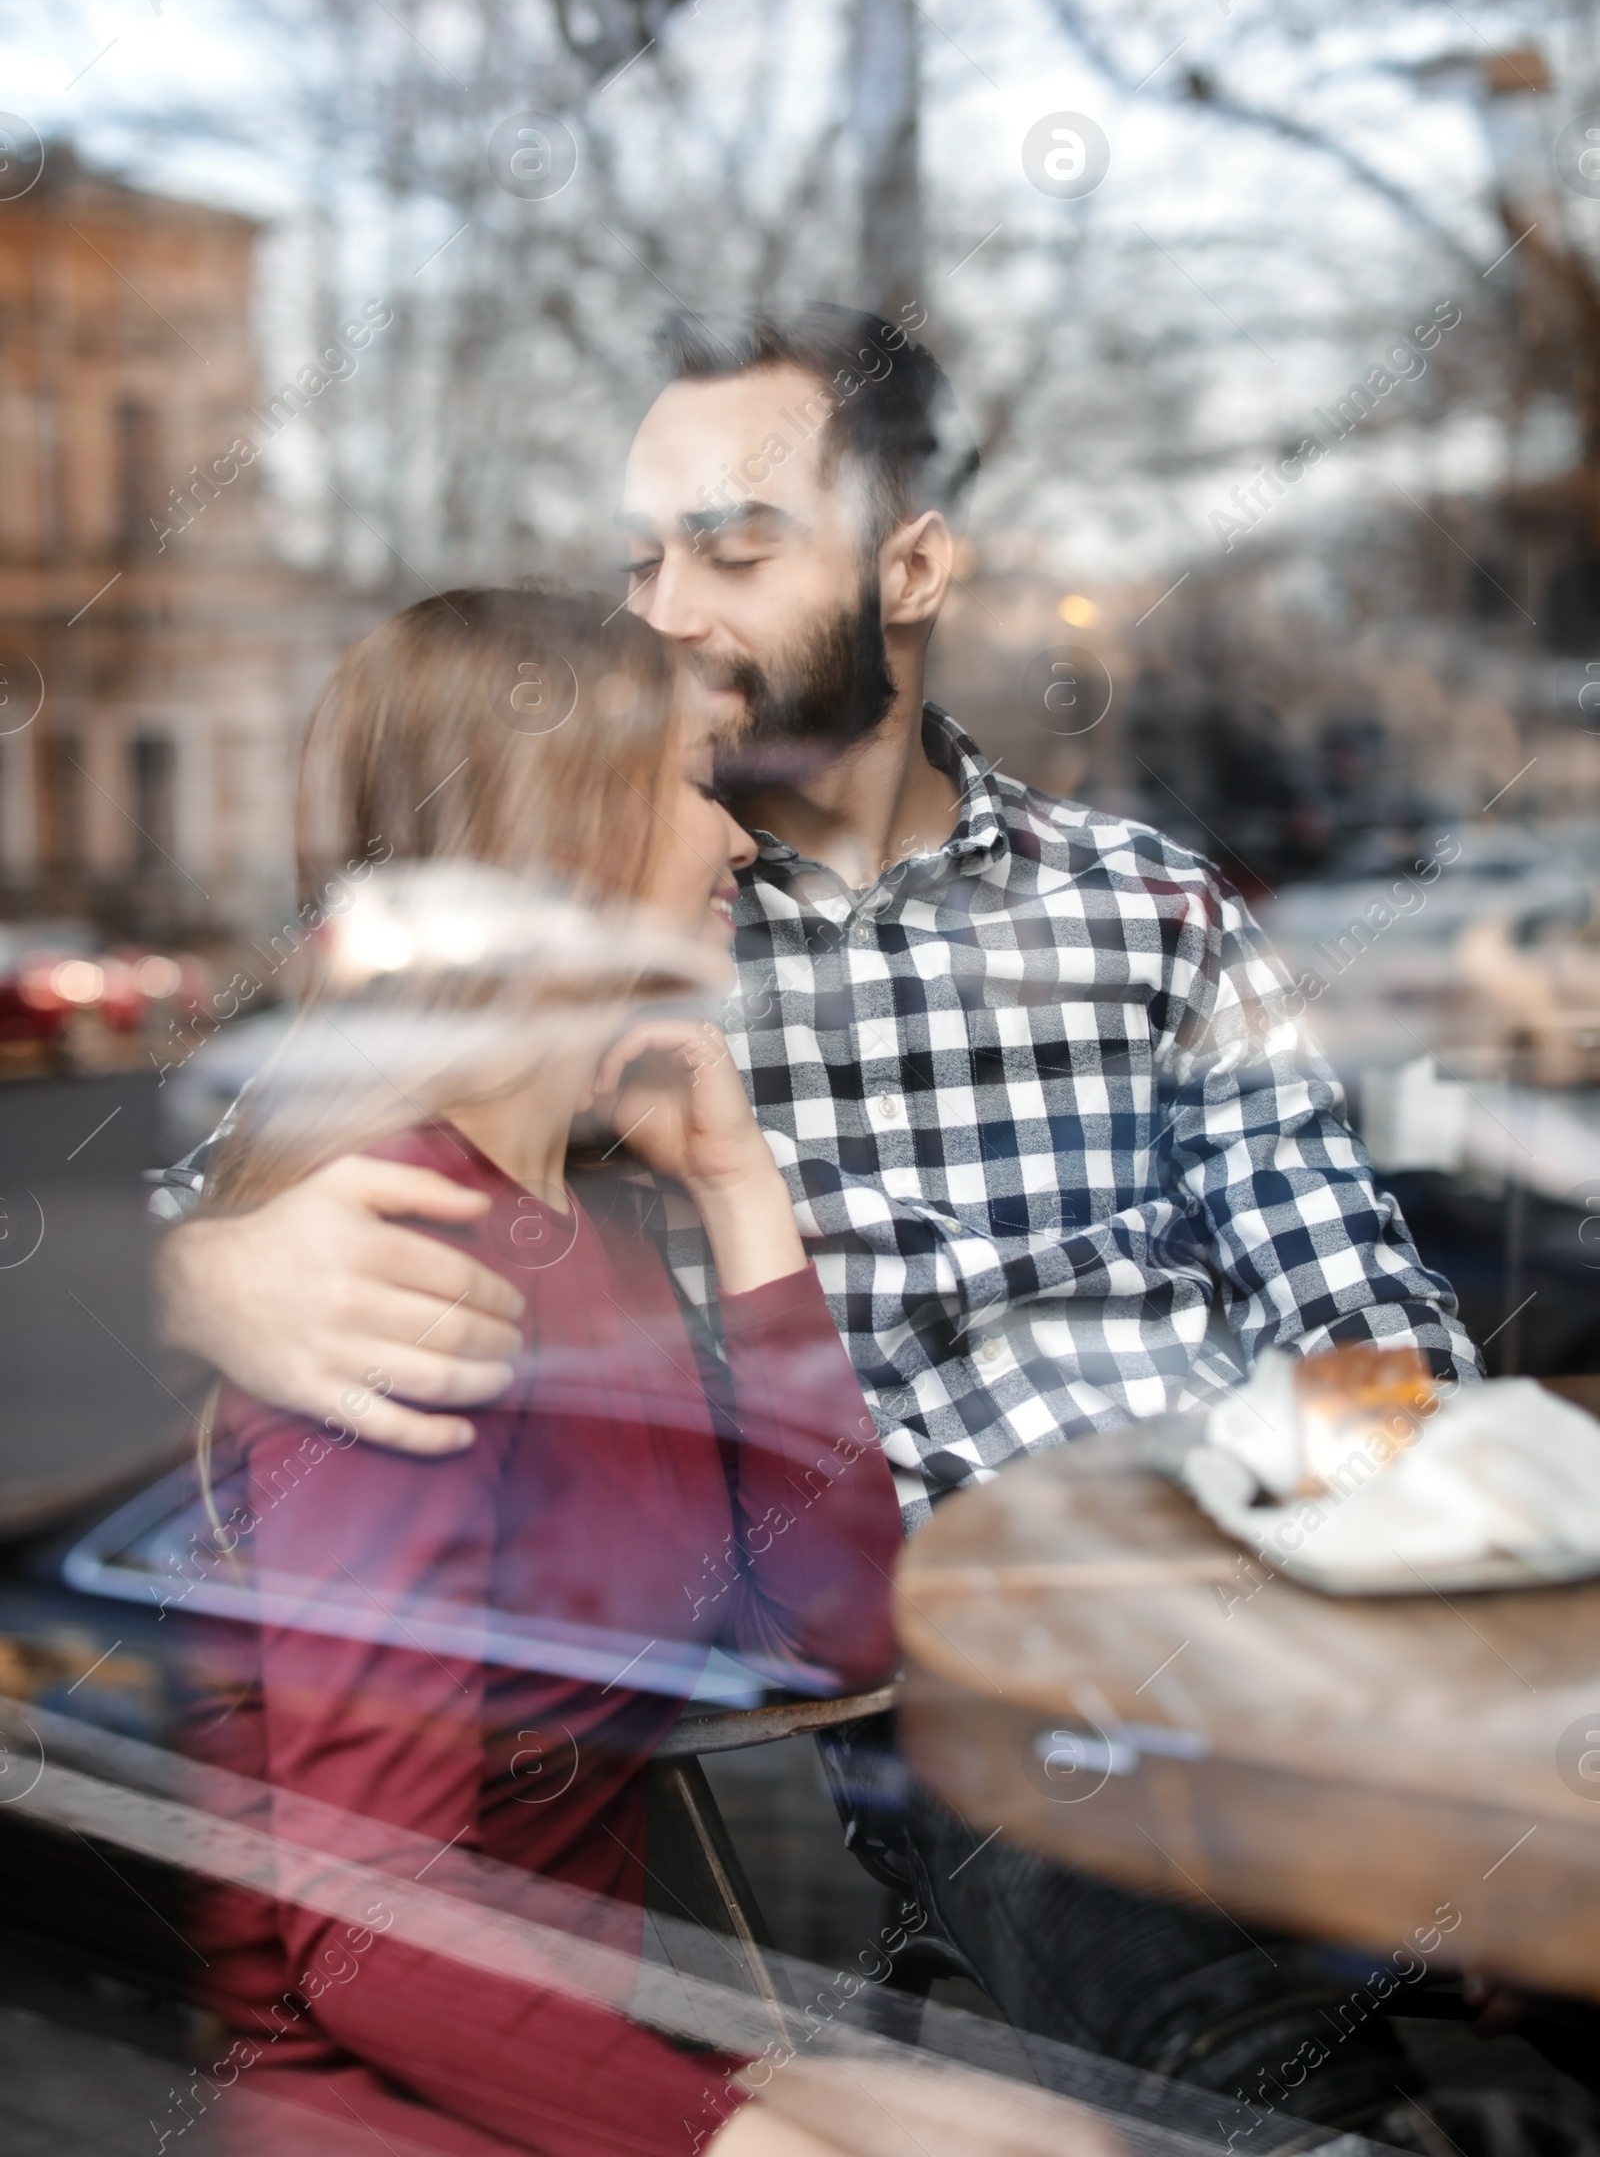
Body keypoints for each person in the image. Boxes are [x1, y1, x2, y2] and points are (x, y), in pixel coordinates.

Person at [156, 306, 1477, 2133]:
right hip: (958, 1684)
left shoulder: (1146, 901)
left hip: (1255, 1580)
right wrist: (219, 1262)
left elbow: (1341, 1279)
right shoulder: (627, 958)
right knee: (1213, 1991)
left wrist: (1365, 1522)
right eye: (643, 558)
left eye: (734, 546)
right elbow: (304, 1121)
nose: (672, 607)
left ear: (912, 564)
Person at [180, 584, 903, 2157]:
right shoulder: (404, 1271)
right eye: (699, 788)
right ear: (561, 840)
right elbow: (372, 1950)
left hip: (589, 2067)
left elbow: (841, 1624)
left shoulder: (588, 1231)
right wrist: (748, 2141)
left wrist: (739, 1192)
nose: (737, 845)